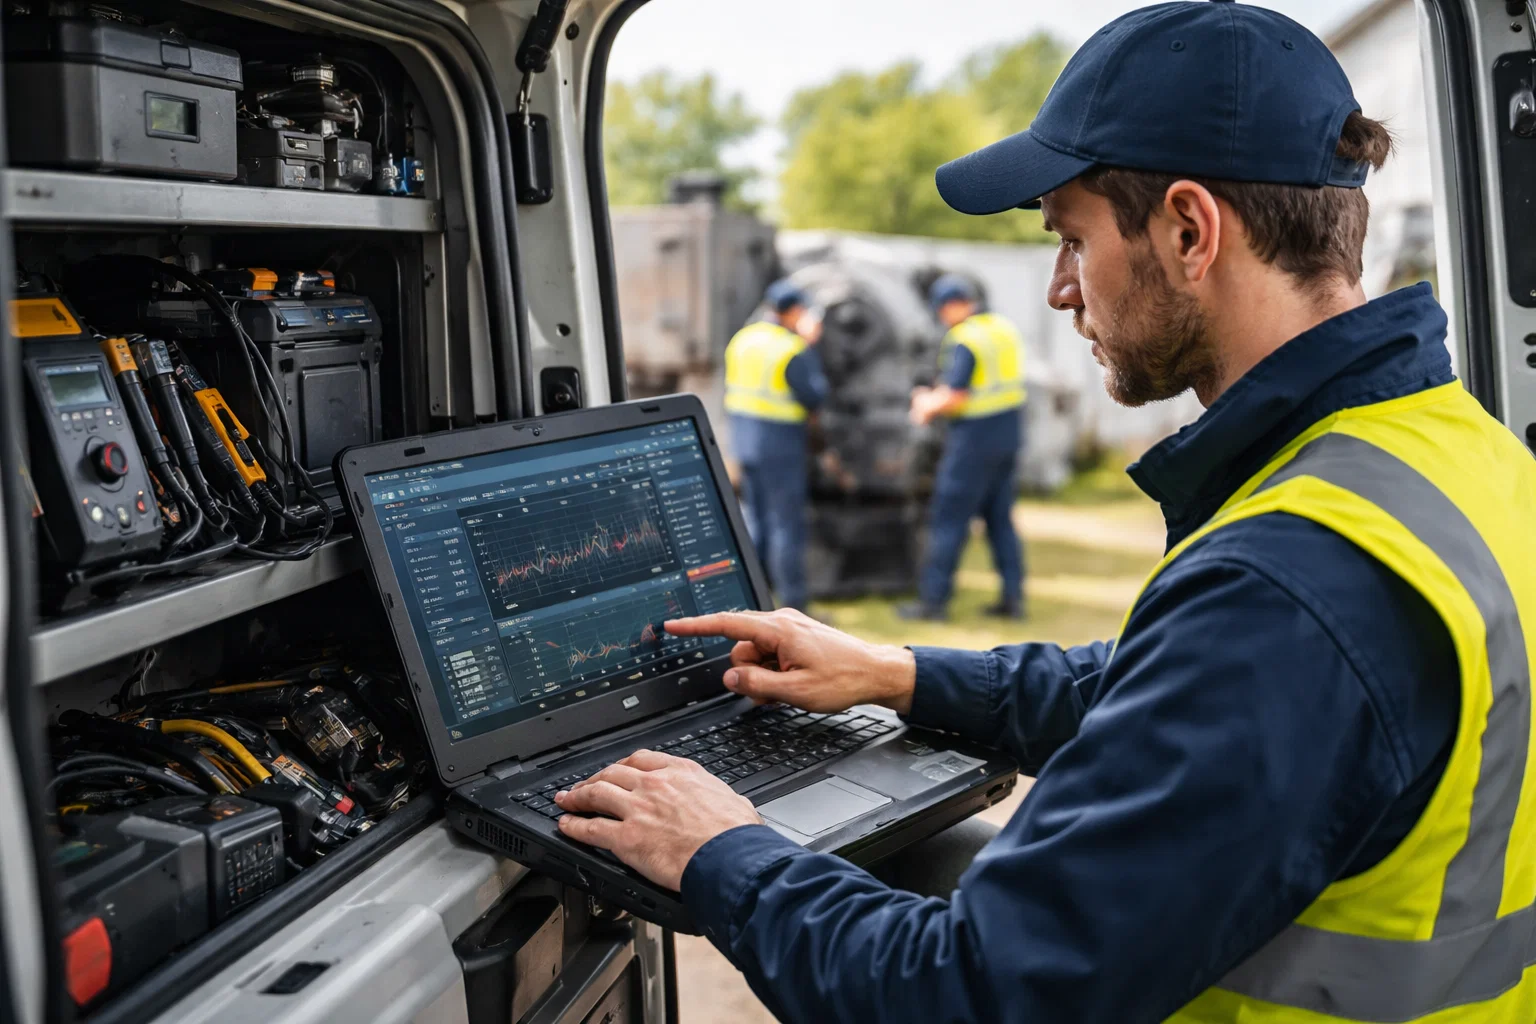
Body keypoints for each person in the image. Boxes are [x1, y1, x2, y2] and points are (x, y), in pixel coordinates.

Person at [551, 4, 1536, 1022]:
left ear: (1190, 229)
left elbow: (966, 994)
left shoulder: (1294, 588)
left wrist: (724, 848)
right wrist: (902, 675)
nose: (1062, 288)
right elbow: (1170, 692)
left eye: (1071, 238)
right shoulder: (1455, 458)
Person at [901, 274, 1028, 621]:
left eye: (942, 310)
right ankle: (1013, 600)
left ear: (953, 305)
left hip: (974, 439)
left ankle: (933, 603)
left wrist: (925, 404)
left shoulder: (965, 338)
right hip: (1009, 434)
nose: (942, 318)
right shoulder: (1003, 328)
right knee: (1000, 520)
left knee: (948, 518)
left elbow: (956, 395)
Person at [723, 279, 828, 612]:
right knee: (786, 524)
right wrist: (810, 344)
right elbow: (814, 395)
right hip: (779, 446)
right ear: (795, 312)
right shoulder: (791, 348)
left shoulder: (743, 339)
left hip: (745, 443)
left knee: (756, 520)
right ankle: (795, 605)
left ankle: (755, 599)